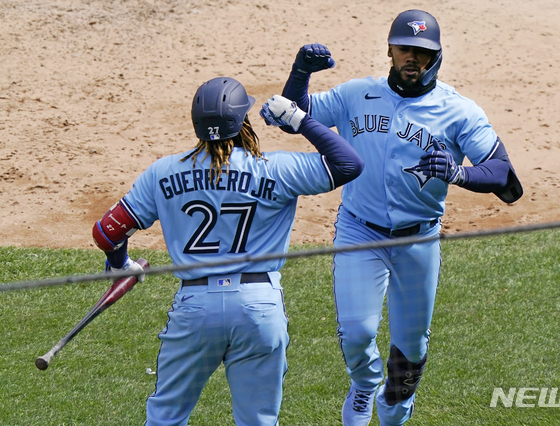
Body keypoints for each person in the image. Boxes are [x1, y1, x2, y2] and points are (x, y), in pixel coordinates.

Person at [278, 10, 523, 426]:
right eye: (405, 49)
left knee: (410, 350)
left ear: (437, 56)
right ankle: (363, 383)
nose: (413, 58)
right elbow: (295, 114)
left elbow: (506, 178)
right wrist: (300, 71)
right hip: (360, 232)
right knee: (356, 334)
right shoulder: (356, 94)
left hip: (418, 241)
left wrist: (458, 173)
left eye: (423, 52)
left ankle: (396, 411)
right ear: (389, 50)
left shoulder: (458, 111)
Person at [90, 76, 363, 426]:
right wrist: (300, 119)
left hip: (195, 310)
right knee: (258, 421)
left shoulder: (162, 172)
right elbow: (348, 164)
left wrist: (120, 265)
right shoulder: (277, 168)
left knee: (165, 418)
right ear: (242, 120)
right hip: (258, 307)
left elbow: (107, 232)